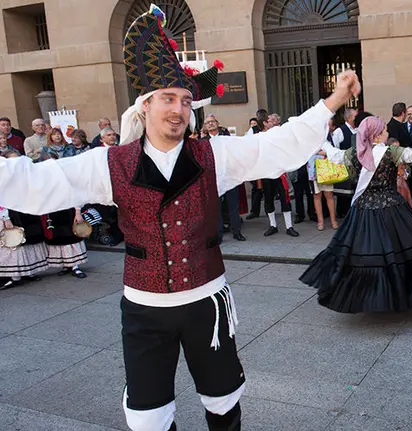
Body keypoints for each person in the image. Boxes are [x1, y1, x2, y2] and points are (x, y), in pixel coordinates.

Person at [0, 4, 359, 430]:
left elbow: (275, 146)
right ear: (146, 106)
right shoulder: (108, 163)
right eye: (168, 99)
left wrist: (333, 100)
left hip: (207, 304)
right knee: (149, 417)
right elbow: (34, 182)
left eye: (186, 101)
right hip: (144, 310)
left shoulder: (213, 155)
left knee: (224, 401)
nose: (178, 109)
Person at [300, 116, 412, 313]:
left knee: (363, 254)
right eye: (384, 130)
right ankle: (395, 294)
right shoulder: (390, 152)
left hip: (363, 211)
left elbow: (333, 154)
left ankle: (371, 295)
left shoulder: (354, 153)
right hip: (392, 210)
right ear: (375, 136)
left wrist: (320, 138)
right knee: (400, 251)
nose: (388, 133)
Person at [40, 127, 88, 278]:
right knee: (58, 237)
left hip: (68, 211)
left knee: (71, 236)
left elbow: (75, 194)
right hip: (54, 212)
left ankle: (75, 266)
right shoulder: (43, 180)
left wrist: (77, 211)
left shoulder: (66, 176)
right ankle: (65, 265)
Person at [0, 152, 48, 290]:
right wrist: (6, 217)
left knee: (30, 240)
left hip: (27, 211)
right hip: (11, 213)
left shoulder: (25, 175)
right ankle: (14, 275)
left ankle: (29, 271)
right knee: (15, 242)